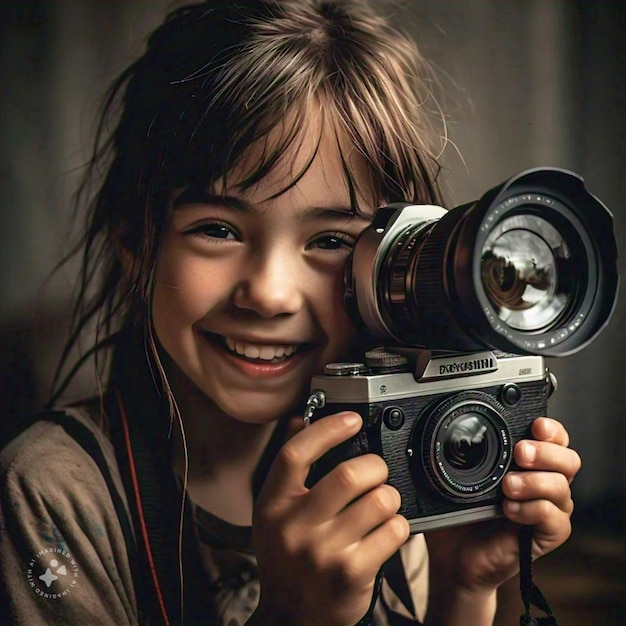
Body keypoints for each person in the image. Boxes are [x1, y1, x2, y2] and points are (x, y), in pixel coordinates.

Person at [0, 1, 581, 625]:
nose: (271, 294)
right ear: (137, 247)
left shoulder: (389, 455)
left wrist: (461, 590)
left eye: (331, 241)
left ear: (390, 267)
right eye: (218, 229)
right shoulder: (50, 497)